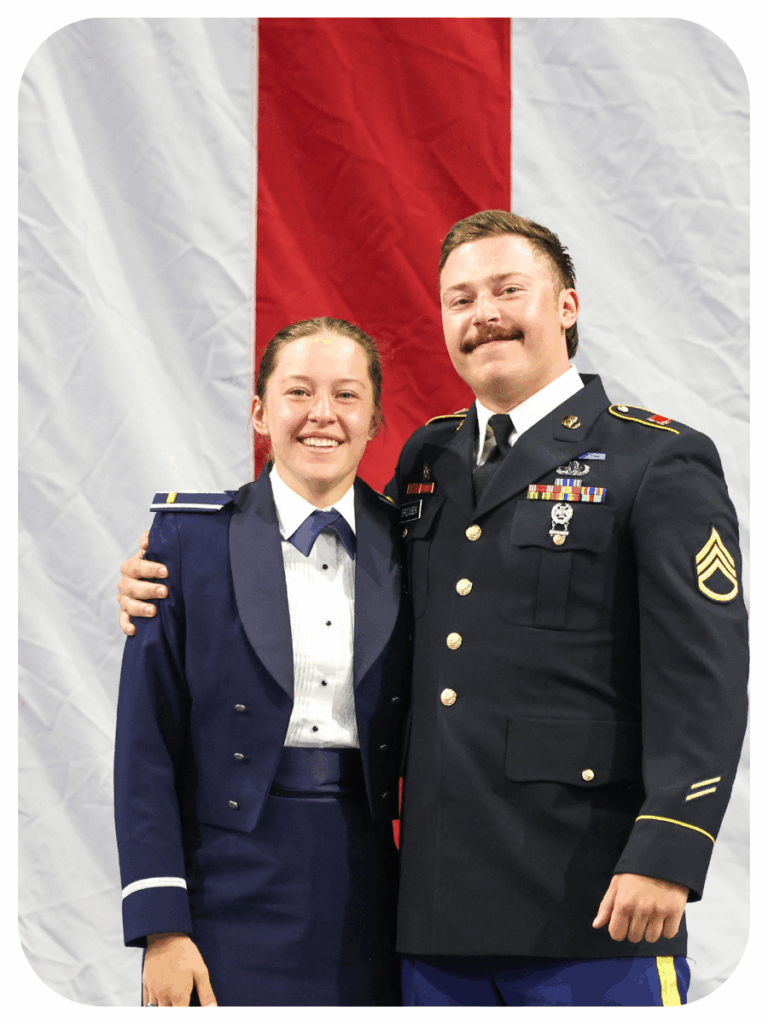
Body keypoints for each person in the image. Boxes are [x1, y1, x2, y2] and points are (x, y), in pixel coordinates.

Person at [118, 212, 748, 1007]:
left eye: (507, 289)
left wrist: (668, 849)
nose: (482, 311)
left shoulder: (656, 459)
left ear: (568, 306)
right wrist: (161, 579)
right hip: (430, 916)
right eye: (460, 298)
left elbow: (706, 681)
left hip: (591, 902)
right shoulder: (431, 460)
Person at [114, 317, 408, 1007]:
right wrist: (161, 927)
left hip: (369, 886)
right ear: (259, 412)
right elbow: (145, 745)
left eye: (346, 395)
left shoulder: (416, 545)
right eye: (298, 392)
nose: (321, 416)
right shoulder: (187, 541)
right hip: (223, 887)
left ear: (374, 420)